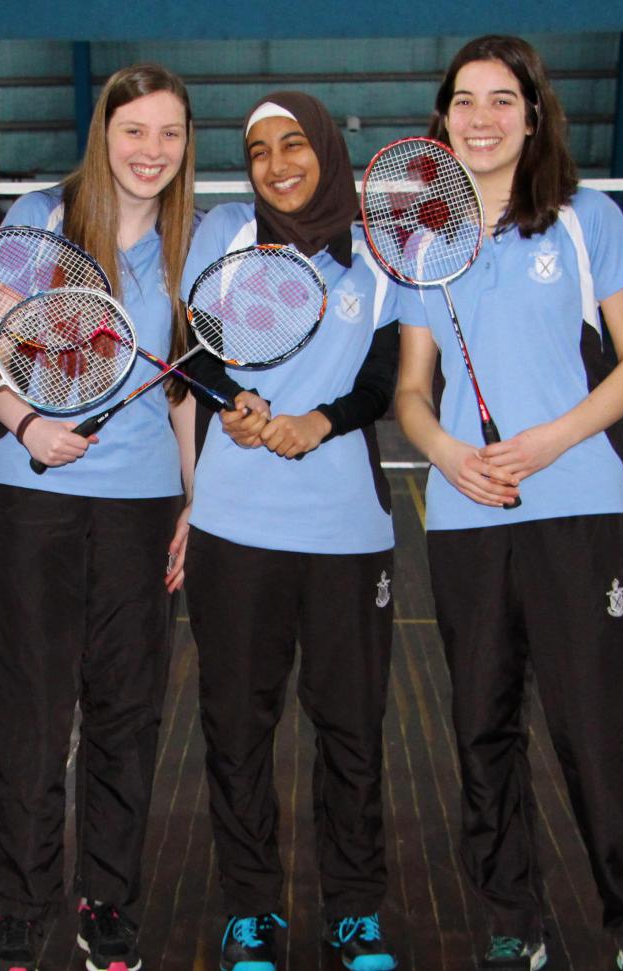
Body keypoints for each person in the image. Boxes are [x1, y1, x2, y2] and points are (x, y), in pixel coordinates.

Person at [392, 35, 623, 971]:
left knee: (601, 727)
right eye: (465, 100)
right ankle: (513, 915)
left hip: (578, 505)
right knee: (482, 725)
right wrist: (446, 453)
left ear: (533, 114)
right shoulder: (424, 238)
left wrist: (554, 437)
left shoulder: (587, 217)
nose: (481, 117)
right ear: (444, 118)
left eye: (502, 99)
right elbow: (410, 392)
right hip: (467, 513)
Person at [0, 63, 197, 971]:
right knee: (30, 710)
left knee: (127, 713)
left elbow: (183, 393)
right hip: (37, 498)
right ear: (104, 133)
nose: (151, 150)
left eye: (170, 134)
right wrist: (30, 422)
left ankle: (106, 899)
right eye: (134, 129)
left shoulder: (189, 245)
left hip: (143, 506)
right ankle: (23, 906)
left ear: (186, 145)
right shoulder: (41, 218)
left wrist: (195, 499)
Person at [182, 91, 403, 971]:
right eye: (261, 149)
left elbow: (390, 376)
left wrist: (324, 420)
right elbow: (194, 352)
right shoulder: (228, 235)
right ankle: (250, 911)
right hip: (235, 529)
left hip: (349, 534)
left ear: (328, 149)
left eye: (295, 144)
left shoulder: (380, 252)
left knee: (351, 729)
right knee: (237, 727)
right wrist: (231, 404)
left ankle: (354, 913)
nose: (278, 162)